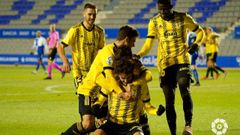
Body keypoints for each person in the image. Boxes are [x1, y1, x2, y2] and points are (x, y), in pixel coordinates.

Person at [135, 0, 205, 135]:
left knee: (184, 86)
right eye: (160, 10)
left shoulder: (184, 17)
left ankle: (188, 126)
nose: (162, 13)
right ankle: (173, 133)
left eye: (165, 10)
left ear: (170, 8)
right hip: (165, 64)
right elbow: (149, 43)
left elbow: (200, 32)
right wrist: (139, 54)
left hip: (182, 59)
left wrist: (196, 44)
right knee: (169, 100)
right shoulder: (154, 22)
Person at [60, 25, 141, 135]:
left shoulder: (123, 54)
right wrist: (121, 92)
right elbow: (109, 77)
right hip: (89, 90)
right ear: (126, 39)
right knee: (87, 123)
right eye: (133, 41)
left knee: (105, 124)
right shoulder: (108, 52)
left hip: (103, 93)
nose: (134, 45)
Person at [92, 54, 165, 135]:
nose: (126, 81)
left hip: (131, 124)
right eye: (123, 78)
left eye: (128, 77)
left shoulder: (141, 85)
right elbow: (100, 100)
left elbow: (147, 106)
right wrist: (96, 106)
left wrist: (156, 111)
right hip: (112, 123)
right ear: (118, 74)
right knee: (97, 133)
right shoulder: (112, 82)